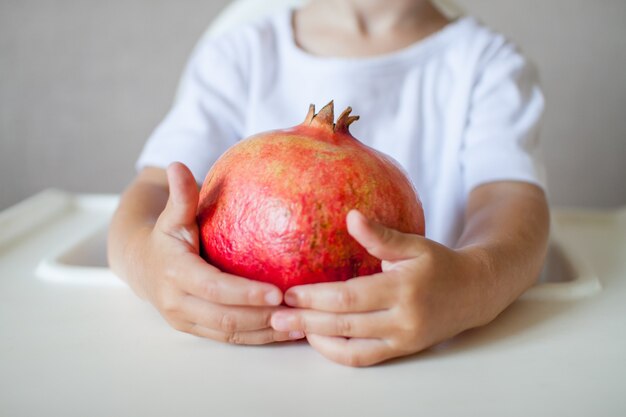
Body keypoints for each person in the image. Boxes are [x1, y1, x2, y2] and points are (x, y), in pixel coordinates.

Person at [107, 0, 550, 367]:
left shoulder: (487, 66)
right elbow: (155, 189)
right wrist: (147, 263)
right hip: (237, 366)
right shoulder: (239, 55)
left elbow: (510, 201)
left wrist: (472, 287)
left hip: (420, 365)